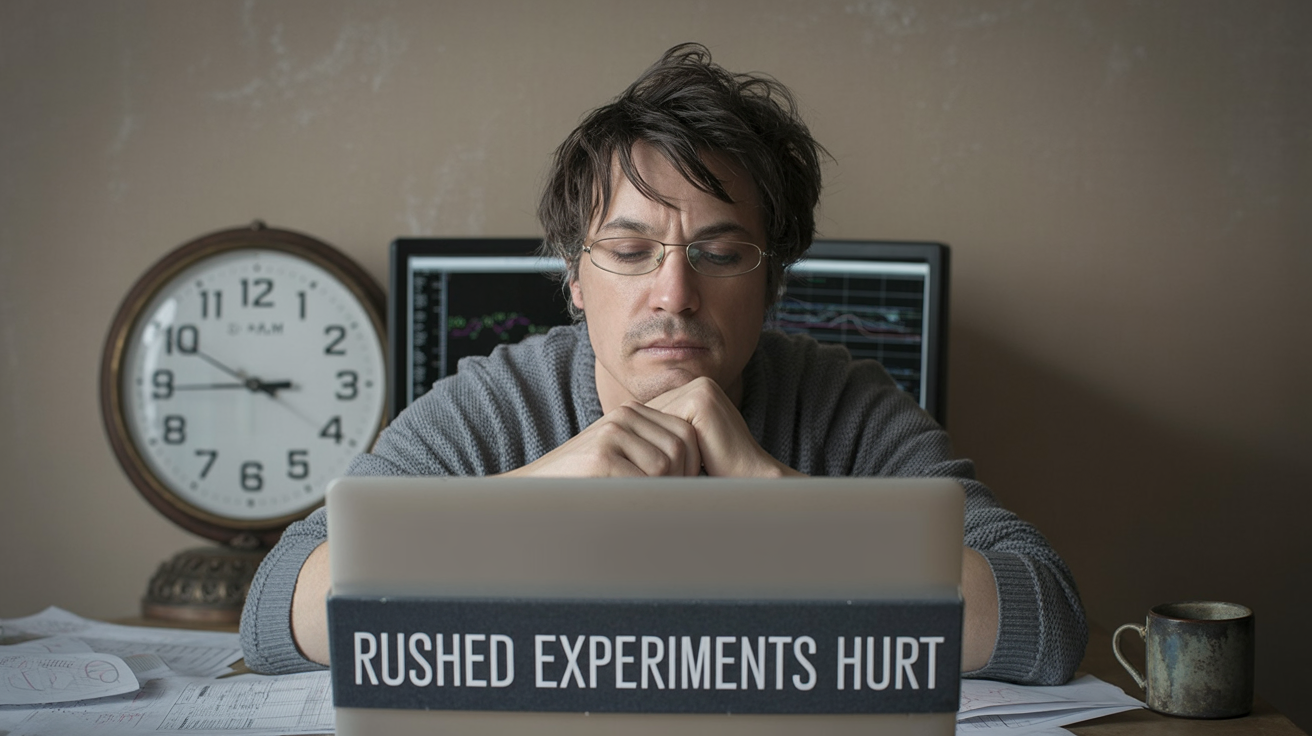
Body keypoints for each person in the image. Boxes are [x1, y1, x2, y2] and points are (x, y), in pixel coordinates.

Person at [240, 43, 1087, 686]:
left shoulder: (846, 408)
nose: (675, 294)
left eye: (721, 254)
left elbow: (1045, 621)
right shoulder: (496, 406)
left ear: (773, 282)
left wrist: (776, 500)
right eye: (631, 250)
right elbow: (277, 609)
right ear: (575, 277)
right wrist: (533, 497)